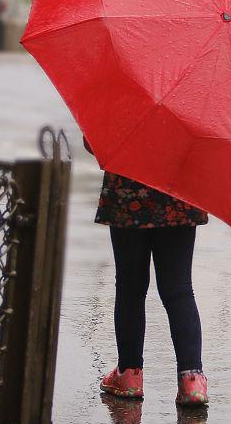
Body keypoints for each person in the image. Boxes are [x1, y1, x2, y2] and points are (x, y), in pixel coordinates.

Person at [87, 137, 211, 406]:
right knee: (178, 288)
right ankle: (192, 381)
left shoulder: (122, 95)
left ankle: (129, 374)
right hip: (181, 190)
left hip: (128, 188)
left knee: (130, 287)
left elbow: (94, 142)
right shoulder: (195, 96)